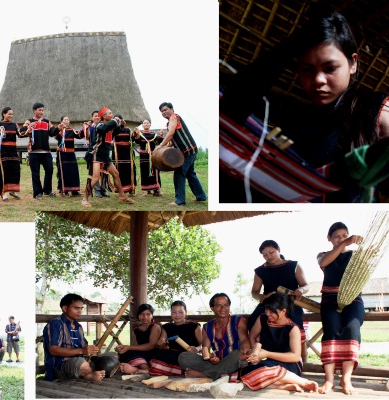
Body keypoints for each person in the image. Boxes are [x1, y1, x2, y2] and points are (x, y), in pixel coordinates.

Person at [220, 9, 389, 202]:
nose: (318, 80)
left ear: (353, 64)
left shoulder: (374, 110)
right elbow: (232, 106)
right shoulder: (297, 122)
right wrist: (291, 46)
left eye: (330, 68)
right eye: (306, 69)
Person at [317, 222, 364, 395]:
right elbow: (325, 262)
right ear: (329, 238)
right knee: (331, 330)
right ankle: (329, 379)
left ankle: (346, 378)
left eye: (345, 235)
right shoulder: (323, 255)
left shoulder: (356, 256)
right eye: (337, 236)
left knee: (352, 329)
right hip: (330, 299)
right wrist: (344, 243)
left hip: (353, 299)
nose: (341, 238)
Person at [241, 293, 318, 392]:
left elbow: (294, 356)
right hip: (268, 363)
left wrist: (267, 353)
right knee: (245, 372)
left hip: (290, 365)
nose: (267, 313)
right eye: (266, 309)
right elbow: (252, 336)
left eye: (272, 311)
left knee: (261, 371)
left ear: (283, 311)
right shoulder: (262, 319)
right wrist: (255, 354)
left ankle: (303, 382)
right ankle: (283, 386)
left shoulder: (293, 329)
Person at [248, 240, 310, 362]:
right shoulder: (260, 271)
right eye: (265, 254)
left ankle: (301, 359)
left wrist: (301, 290)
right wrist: (261, 298)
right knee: (252, 321)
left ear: (279, 250)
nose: (269, 256)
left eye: (271, 252)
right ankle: (258, 356)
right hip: (269, 304)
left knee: (295, 324)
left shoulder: (293, 265)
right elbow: (254, 292)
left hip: (290, 303)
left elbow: (305, 285)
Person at [179, 293, 250, 380]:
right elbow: (205, 349)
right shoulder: (207, 327)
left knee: (237, 355)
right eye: (219, 305)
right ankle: (219, 373)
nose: (223, 308)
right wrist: (210, 358)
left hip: (233, 360)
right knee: (183, 357)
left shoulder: (238, 320)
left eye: (226, 305)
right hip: (217, 363)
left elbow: (244, 340)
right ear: (212, 308)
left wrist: (245, 350)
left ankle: (205, 374)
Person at [155, 102, 207, 206]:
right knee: (190, 174)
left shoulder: (174, 117)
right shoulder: (169, 123)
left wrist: (161, 145)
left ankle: (180, 200)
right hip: (188, 150)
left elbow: (171, 133)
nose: (163, 112)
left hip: (187, 150)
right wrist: (164, 147)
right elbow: (172, 141)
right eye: (162, 111)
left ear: (172, 109)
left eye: (165, 110)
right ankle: (201, 196)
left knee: (179, 173)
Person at [81, 108, 135, 207]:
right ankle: (84, 199)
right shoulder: (99, 125)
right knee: (95, 178)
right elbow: (104, 129)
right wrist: (115, 120)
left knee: (116, 174)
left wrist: (121, 124)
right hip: (96, 154)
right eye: (110, 113)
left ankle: (122, 196)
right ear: (104, 116)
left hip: (105, 155)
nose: (112, 114)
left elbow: (115, 132)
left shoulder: (109, 127)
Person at [43, 293, 103, 381]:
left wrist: (90, 350)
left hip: (79, 362)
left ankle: (89, 374)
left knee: (108, 360)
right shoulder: (56, 324)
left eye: (81, 308)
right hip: (60, 366)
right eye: (76, 308)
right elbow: (53, 350)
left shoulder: (78, 326)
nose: (80, 311)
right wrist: (81, 350)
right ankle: (89, 376)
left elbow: (84, 348)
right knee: (83, 365)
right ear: (65, 308)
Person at [148, 301, 202, 376]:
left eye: (180, 312)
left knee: (185, 360)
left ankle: (154, 371)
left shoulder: (194, 326)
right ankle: (177, 371)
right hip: (172, 355)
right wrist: (161, 343)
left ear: (185, 312)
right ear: (171, 313)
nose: (177, 315)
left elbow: (203, 345)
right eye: (174, 312)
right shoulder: (167, 327)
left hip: (187, 356)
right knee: (156, 357)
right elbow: (161, 347)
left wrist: (197, 348)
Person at [22, 102, 56, 199]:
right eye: (39, 110)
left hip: (46, 152)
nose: (41, 112)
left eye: (42, 110)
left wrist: (59, 128)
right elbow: (22, 131)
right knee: (35, 173)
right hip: (33, 152)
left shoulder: (47, 121)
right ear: (34, 111)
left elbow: (52, 132)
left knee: (50, 170)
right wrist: (29, 128)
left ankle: (47, 190)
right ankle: (37, 192)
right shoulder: (29, 121)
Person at [116, 303, 161, 374]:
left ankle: (146, 369)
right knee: (123, 353)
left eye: (148, 314)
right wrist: (123, 348)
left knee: (130, 352)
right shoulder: (136, 330)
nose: (145, 317)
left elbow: (151, 345)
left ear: (152, 316)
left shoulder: (155, 327)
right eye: (142, 314)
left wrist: (129, 348)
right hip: (141, 354)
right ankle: (136, 368)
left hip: (153, 353)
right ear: (138, 316)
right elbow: (134, 347)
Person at [0, 107, 25, 201]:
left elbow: (20, 134)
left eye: (12, 114)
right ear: (4, 114)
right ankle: (4, 192)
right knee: (4, 172)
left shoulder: (14, 125)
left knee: (15, 171)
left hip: (13, 151)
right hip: (3, 151)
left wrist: (28, 130)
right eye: (9, 114)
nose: (11, 116)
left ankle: (12, 191)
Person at [81, 111, 109, 198]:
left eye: (98, 116)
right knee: (94, 173)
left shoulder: (104, 126)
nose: (97, 117)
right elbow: (87, 136)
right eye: (95, 116)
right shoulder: (90, 128)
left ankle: (103, 189)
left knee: (104, 171)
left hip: (103, 152)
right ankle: (97, 190)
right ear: (92, 117)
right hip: (94, 152)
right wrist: (86, 128)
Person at [53, 116, 83, 196]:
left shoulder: (72, 130)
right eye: (65, 119)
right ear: (61, 121)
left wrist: (84, 128)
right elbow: (56, 137)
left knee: (73, 171)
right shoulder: (59, 131)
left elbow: (80, 136)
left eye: (68, 119)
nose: (67, 121)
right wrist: (59, 129)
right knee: (64, 172)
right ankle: (64, 190)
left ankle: (74, 190)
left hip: (71, 154)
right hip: (62, 153)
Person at [132, 119, 163, 195]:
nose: (146, 124)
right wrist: (136, 134)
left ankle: (156, 190)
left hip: (152, 156)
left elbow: (159, 141)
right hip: (143, 156)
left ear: (150, 125)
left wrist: (161, 135)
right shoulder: (140, 134)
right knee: (145, 171)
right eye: (144, 123)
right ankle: (148, 190)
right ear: (142, 125)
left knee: (154, 171)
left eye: (147, 123)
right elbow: (137, 141)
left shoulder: (154, 135)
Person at [112, 115, 136, 195]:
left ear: (122, 120)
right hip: (117, 152)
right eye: (115, 120)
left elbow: (132, 139)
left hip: (127, 152)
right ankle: (119, 188)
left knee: (128, 169)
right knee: (118, 170)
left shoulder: (128, 129)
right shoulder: (113, 130)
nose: (117, 121)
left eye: (119, 120)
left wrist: (135, 134)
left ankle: (130, 188)